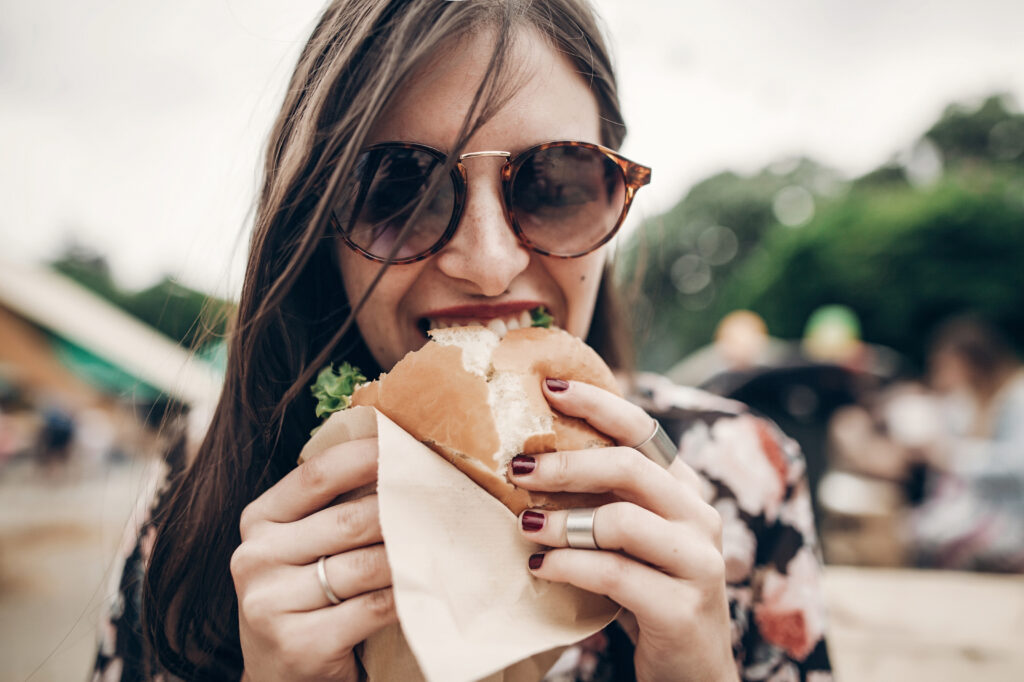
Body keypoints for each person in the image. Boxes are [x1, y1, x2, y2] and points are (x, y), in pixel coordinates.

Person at [92, 1, 832, 680]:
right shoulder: (197, 496)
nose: (488, 263)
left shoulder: (747, 478)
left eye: (554, 183)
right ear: (316, 227)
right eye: (400, 189)